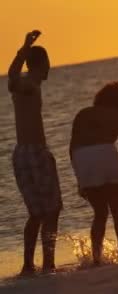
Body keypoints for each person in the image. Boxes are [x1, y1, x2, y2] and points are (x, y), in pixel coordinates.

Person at [69, 82, 118, 265]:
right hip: (106, 155)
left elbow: (72, 149)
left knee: (100, 213)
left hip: (82, 158)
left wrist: (80, 179)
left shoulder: (83, 114)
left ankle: (96, 258)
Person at [8, 30, 62, 275]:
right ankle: (48, 264)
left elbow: (11, 81)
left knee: (37, 214)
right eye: (47, 63)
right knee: (51, 211)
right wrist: (25, 47)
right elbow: (11, 79)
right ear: (40, 65)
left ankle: (29, 265)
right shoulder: (29, 84)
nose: (50, 68)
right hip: (35, 154)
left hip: (21, 154)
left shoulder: (30, 85)